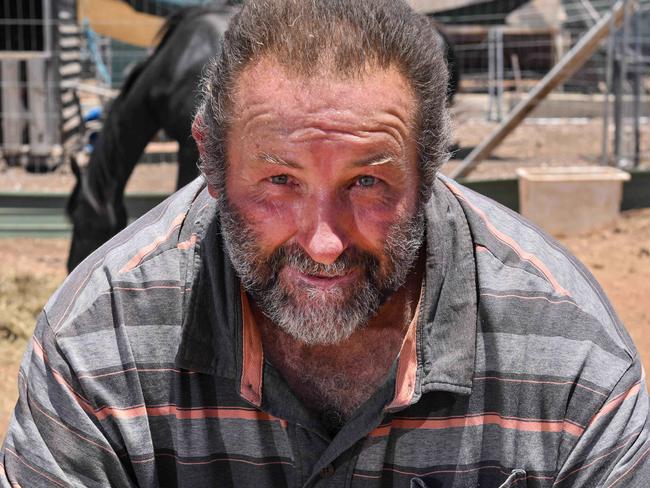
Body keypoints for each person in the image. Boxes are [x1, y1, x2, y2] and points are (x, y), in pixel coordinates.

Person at [2, 1, 648, 486]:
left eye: (368, 181)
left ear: (430, 168)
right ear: (209, 160)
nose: (323, 242)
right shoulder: (94, 345)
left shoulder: (576, 366)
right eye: (279, 180)